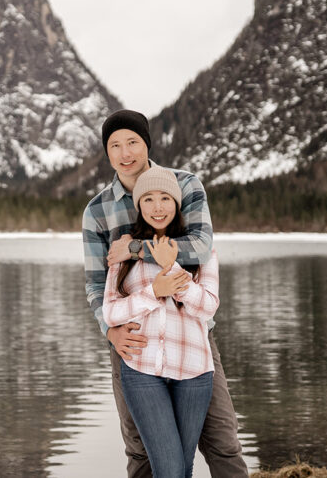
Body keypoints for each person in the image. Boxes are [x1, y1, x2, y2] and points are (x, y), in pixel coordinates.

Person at [83, 109, 248, 478]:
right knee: (140, 448)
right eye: (115, 145)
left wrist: (134, 248)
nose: (126, 153)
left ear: (147, 144)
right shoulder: (96, 211)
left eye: (133, 143)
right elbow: (97, 283)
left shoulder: (185, 185)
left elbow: (201, 247)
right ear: (107, 152)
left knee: (222, 440)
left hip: (192, 337)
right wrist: (109, 330)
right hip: (133, 340)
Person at [103, 165, 219, 478]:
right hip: (142, 371)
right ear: (138, 205)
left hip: (194, 371)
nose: (158, 207)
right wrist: (154, 292)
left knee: (183, 468)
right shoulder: (123, 248)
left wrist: (174, 271)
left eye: (166, 198)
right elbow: (111, 312)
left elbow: (208, 307)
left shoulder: (199, 250)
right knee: (168, 469)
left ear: (177, 203)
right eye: (149, 199)